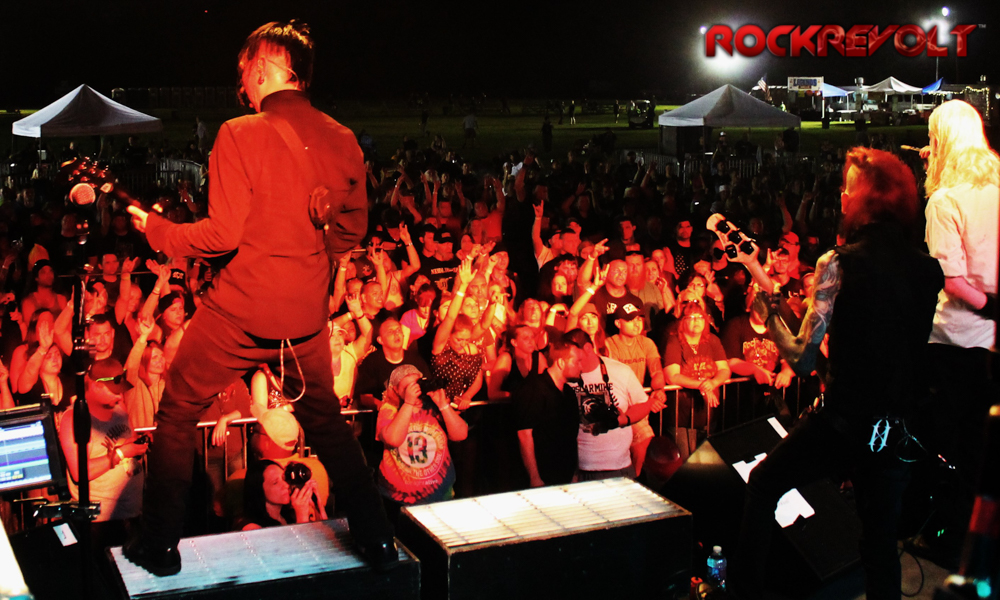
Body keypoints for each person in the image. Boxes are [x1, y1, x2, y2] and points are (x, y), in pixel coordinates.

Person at [123, 21, 396, 576]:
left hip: (239, 312)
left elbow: (222, 235)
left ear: (267, 67)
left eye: (245, 71)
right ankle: (378, 538)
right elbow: (350, 230)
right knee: (326, 424)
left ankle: (159, 546)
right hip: (304, 319)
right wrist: (308, 254)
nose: (241, 84)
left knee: (178, 410)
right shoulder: (343, 138)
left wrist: (159, 231)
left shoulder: (239, 132)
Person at [732, 147, 943, 600]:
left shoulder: (838, 262)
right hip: (896, 432)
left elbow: (802, 359)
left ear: (863, 199)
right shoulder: (929, 269)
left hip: (843, 422)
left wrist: (770, 317)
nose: (841, 197)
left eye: (848, 189)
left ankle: (744, 592)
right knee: (880, 544)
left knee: (764, 483)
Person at [918, 99, 999, 561]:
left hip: (958, 342)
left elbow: (951, 280)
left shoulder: (945, 200)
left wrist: (991, 306)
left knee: (956, 449)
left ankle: (952, 544)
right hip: (991, 344)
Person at [563, 329, 664, 481]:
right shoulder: (565, 374)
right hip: (580, 468)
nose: (568, 359)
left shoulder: (620, 370)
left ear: (587, 348)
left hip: (619, 467)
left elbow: (643, 404)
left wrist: (624, 420)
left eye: (572, 353)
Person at [58, 359, 147, 523]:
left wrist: (139, 444)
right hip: (100, 521)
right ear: (96, 386)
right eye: (114, 391)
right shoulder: (74, 418)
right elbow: (79, 472)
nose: (120, 396)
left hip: (132, 514)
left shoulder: (119, 409)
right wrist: (120, 453)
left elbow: (130, 441)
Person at [376, 365, 468, 521]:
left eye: (417, 384)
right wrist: (408, 404)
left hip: (439, 495)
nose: (415, 391)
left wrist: (443, 405)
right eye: (407, 387)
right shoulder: (390, 409)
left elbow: (461, 434)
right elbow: (393, 439)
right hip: (399, 499)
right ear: (396, 390)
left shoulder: (435, 408)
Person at [514, 332, 585, 487]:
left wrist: (574, 473)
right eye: (577, 362)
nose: (581, 367)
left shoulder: (569, 393)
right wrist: (534, 477)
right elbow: (525, 435)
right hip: (543, 477)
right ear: (561, 363)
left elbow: (572, 437)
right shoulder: (533, 389)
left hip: (565, 476)